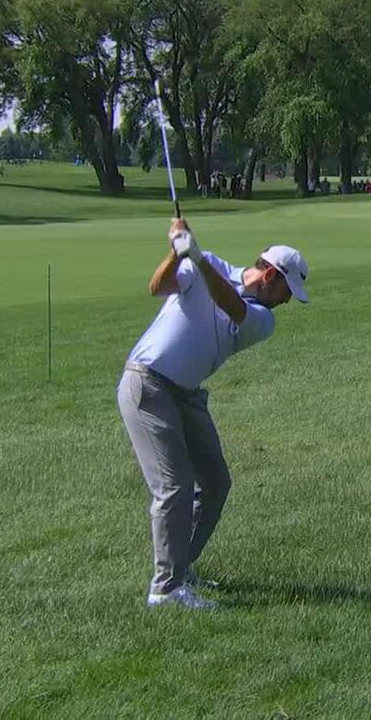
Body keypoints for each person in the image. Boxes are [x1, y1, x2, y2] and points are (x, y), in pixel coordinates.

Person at [117, 219, 309, 609]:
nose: (288, 301)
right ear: (271, 275)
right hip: (148, 383)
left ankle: (180, 567)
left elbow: (231, 305)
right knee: (174, 485)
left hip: (186, 395)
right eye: (288, 291)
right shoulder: (215, 266)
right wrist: (176, 252)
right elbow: (158, 287)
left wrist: (196, 256)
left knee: (216, 482)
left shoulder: (263, 319)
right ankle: (166, 589)